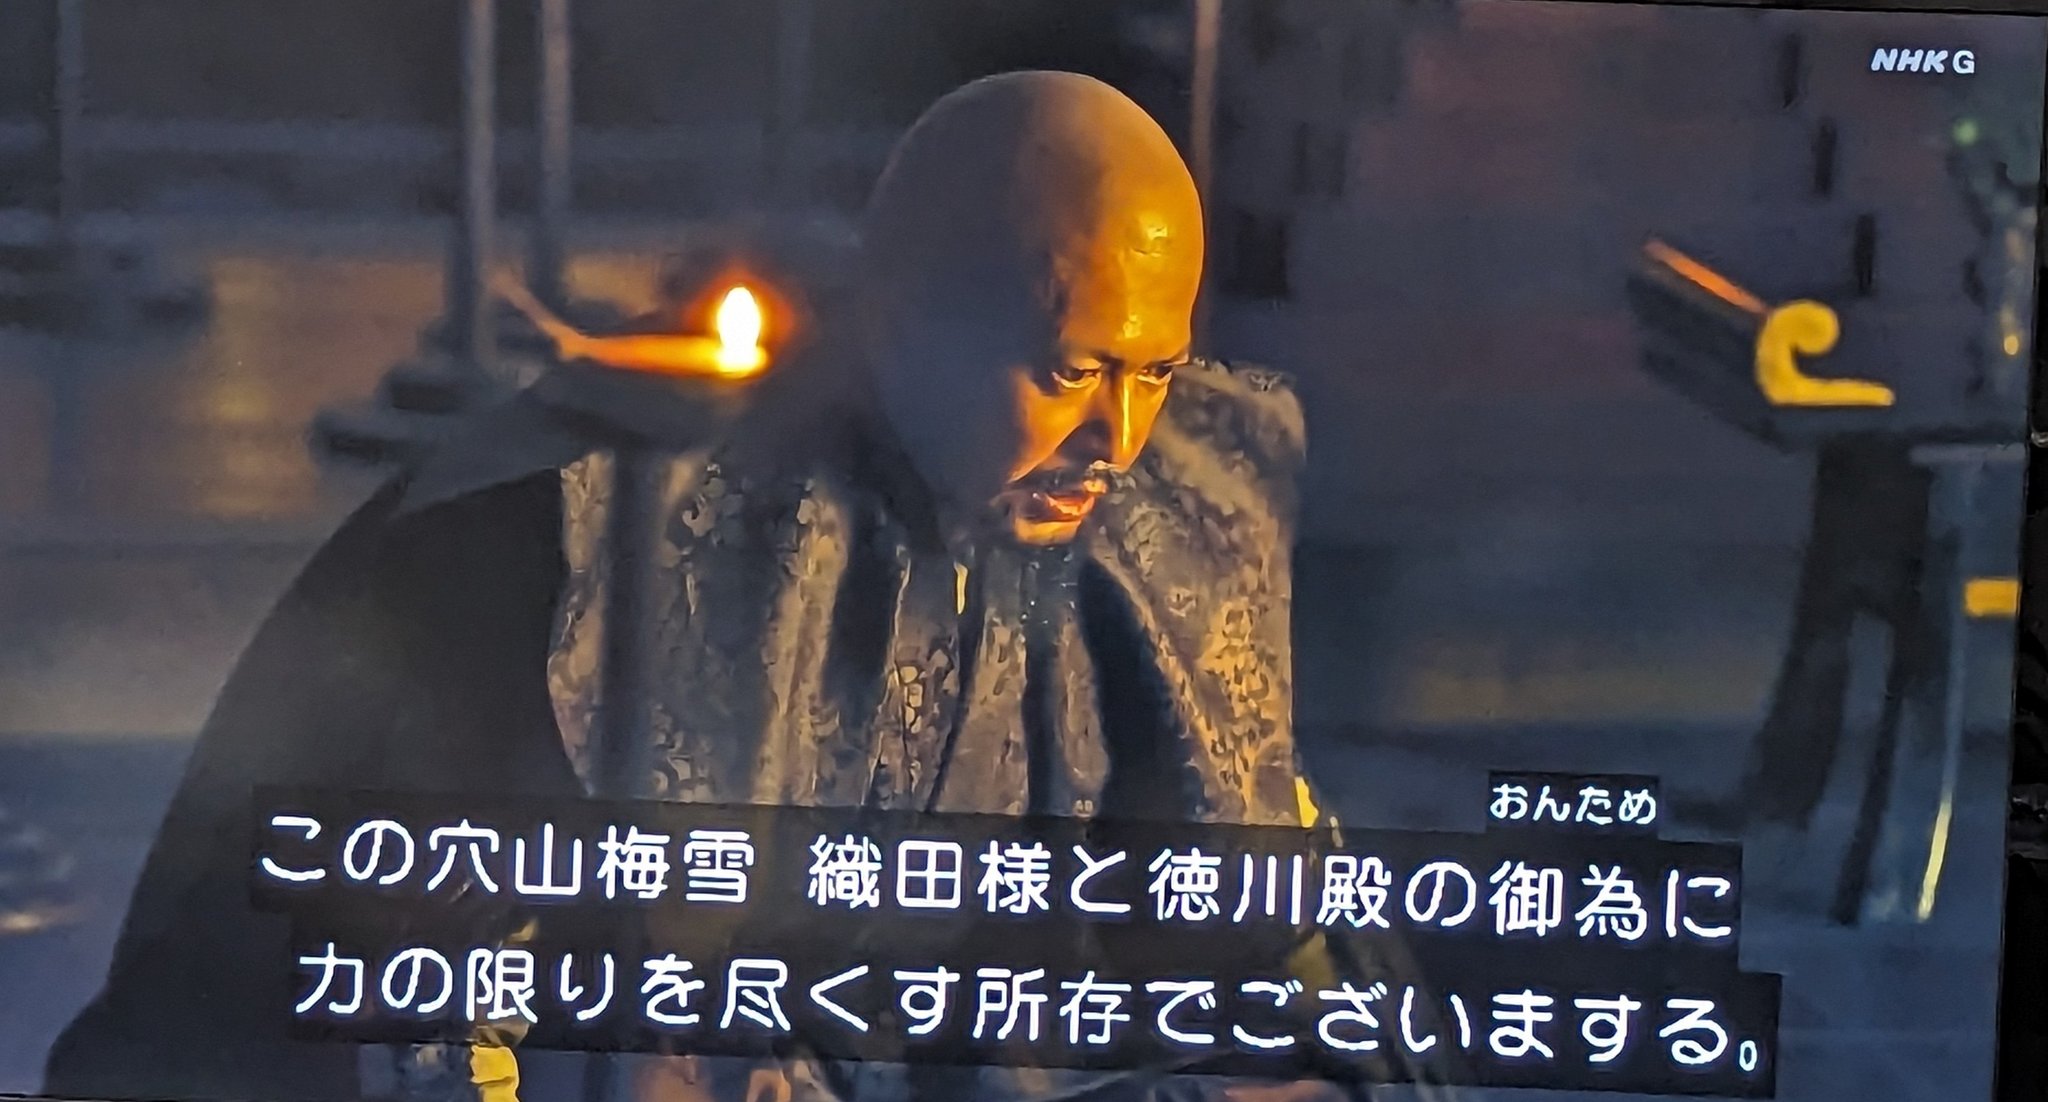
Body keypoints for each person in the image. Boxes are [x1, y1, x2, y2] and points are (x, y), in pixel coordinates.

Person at [48, 71, 1318, 1102]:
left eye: (1154, 374)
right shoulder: (589, 549)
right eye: (1067, 370)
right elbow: (405, 996)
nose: (1119, 439)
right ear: (902, 313)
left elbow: (1247, 908)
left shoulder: (1117, 525)